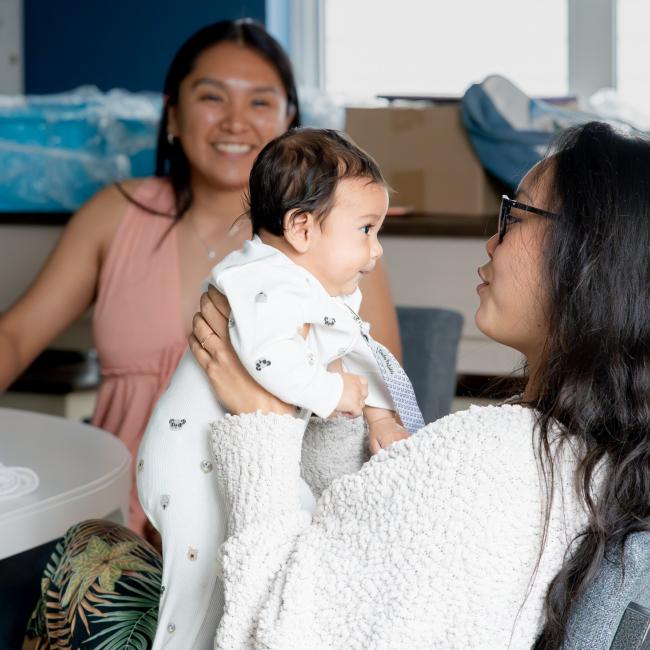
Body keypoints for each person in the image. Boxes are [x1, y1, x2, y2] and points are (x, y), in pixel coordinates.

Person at [181, 121, 650, 649]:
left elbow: (270, 633)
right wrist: (346, 415)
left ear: (590, 261)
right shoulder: (587, 462)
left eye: (515, 216)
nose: (492, 239)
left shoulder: (493, 462)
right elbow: (363, 550)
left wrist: (259, 420)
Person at [0, 19, 401, 537]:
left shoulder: (342, 244)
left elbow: (374, 385)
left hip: (264, 513)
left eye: (259, 102)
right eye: (212, 97)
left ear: (291, 124)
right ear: (173, 115)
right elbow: (14, 336)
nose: (235, 122)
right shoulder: (112, 214)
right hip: (115, 516)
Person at [137, 128, 418, 648]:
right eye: (365, 230)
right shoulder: (261, 278)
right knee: (196, 585)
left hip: (242, 450)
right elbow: (268, 360)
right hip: (188, 457)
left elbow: (358, 349)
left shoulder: (315, 287)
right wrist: (331, 394)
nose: (376, 251)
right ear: (302, 227)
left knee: (289, 546)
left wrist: (379, 416)